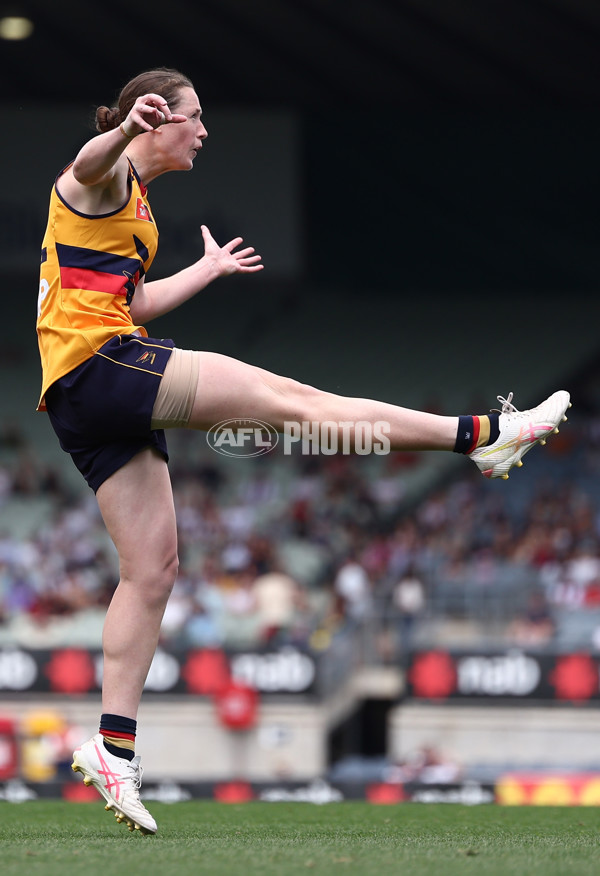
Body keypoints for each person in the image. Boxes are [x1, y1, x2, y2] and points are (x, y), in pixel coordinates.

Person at [35, 68, 571, 835]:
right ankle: (483, 436)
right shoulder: (110, 170)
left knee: (152, 569)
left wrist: (207, 270)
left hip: (81, 393)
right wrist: (122, 130)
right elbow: (82, 167)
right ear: (156, 121)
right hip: (103, 369)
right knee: (302, 406)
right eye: (192, 117)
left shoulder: (140, 206)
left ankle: (112, 749)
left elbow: (130, 300)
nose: (204, 130)